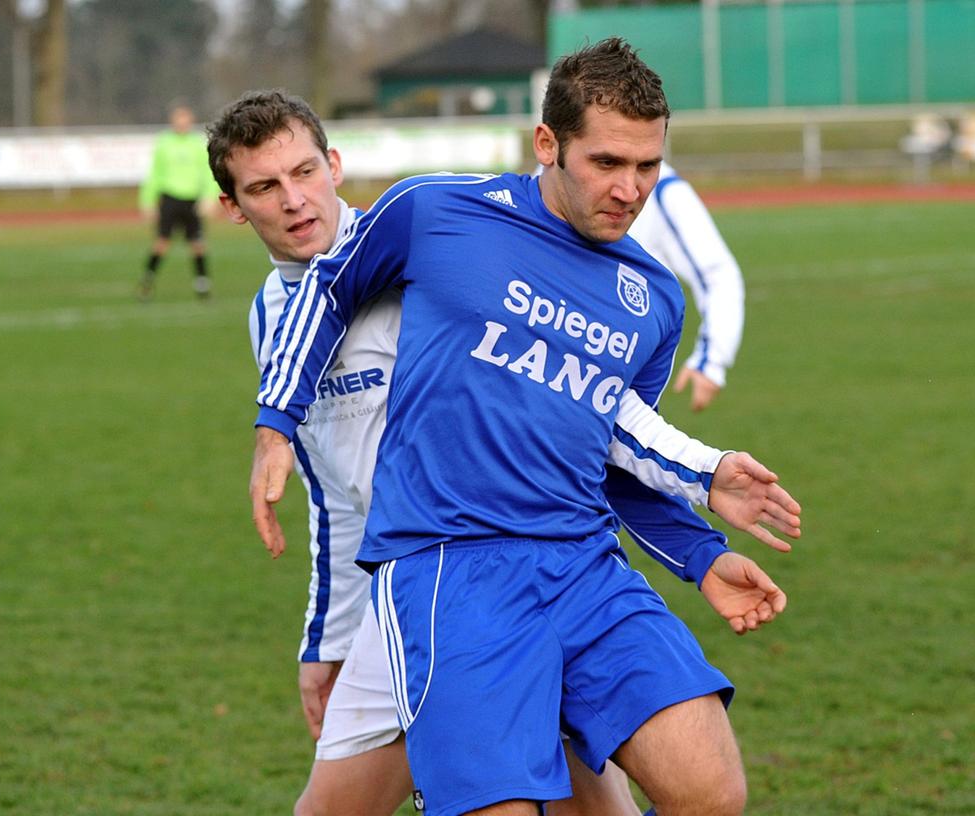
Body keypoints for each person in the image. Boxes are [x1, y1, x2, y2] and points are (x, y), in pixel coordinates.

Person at [248, 39, 800, 816]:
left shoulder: (653, 295)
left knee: (710, 792)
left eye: (647, 167)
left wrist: (701, 555)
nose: (630, 189)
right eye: (606, 163)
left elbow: (610, 459)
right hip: (451, 570)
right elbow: (327, 290)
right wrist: (276, 423)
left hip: (583, 565)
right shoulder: (436, 212)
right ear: (547, 144)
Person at [624, 161, 744, 413]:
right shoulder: (540, 178)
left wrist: (712, 360)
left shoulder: (664, 191)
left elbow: (718, 273)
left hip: (617, 379)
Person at [138, 103, 220, 300]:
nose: (181, 123)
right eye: (178, 119)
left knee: (198, 244)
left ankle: (202, 285)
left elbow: (208, 173)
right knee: (161, 242)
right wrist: (147, 201)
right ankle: (147, 281)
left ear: (190, 121)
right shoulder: (164, 143)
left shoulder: (198, 143)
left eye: (185, 119)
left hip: (192, 200)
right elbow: (155, 174)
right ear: (172, 121)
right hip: (170, 198)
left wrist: (210, 197)